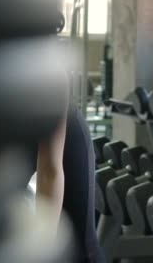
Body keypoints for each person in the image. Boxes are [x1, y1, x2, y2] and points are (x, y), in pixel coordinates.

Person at [24, 100, 104, 263]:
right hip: (11, 132)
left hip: (64, 138)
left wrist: (44, 248)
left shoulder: (50, 79)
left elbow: (49, 171)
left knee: (79, 245)